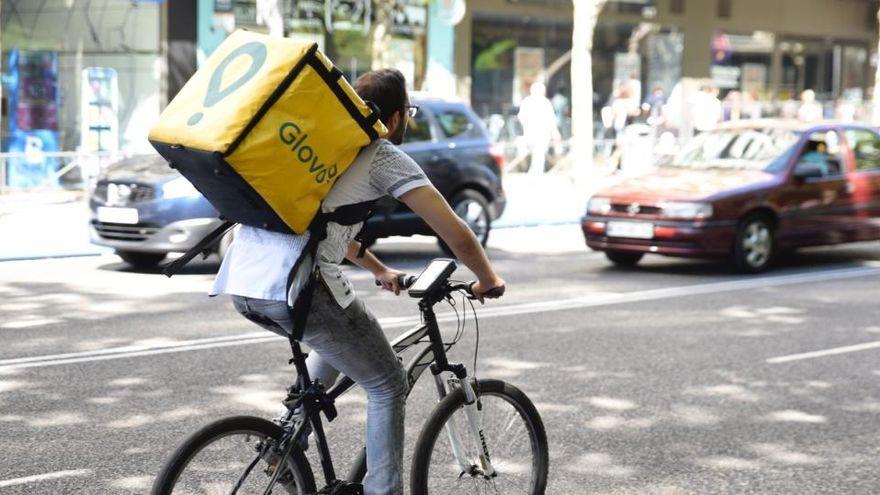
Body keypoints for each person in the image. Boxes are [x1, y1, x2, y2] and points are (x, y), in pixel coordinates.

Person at [210, 69, 506, 495]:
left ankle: (286, 438)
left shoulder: (322, 147)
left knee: (341, 334)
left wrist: (379, 270)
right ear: (394, 117)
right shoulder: (381, 156)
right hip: (299, 286)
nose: (408, 118)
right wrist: (487, 277)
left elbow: (327, 222)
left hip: (246, 280)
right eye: (409, 111)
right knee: (388, 381)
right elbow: (454, 230)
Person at [517, 81, 561, 176]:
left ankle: (533, 171)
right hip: (539, 134)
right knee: (538, 153)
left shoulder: (528, 101)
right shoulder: (544, 102)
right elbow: (551, 120)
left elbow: (521, 118)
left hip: (535, 134)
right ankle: (534, 171)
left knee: (538, 152)